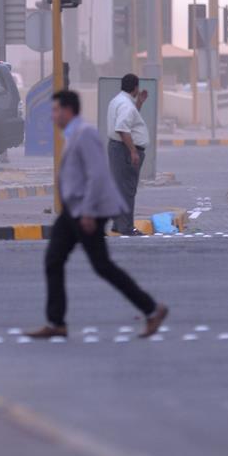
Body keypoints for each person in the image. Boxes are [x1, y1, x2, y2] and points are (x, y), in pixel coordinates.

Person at [26, 91, 167, 340]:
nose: (53, 115)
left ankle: (152, 309)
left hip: (86, 211)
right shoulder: (73, 134)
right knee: (53, 260)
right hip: (74, 211)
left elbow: (97, 174)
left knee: (103, 266)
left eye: (56, 110)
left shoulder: (85, 134)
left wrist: (89, 212)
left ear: (68, 111)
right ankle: (56, 322)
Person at [107, 73, 150, 235]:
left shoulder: (119, 100)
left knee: (120, 188)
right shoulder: (126, 105)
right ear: (135, 88)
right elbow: (122, 128)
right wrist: (133, 151)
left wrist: (139, 103)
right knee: (127, 189)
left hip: (117, 147)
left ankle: (118, 224)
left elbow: (129, 119)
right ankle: (126, 227)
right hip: (124, 149)